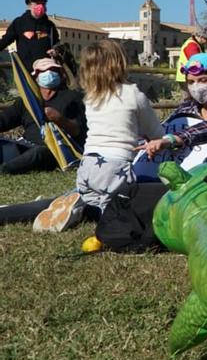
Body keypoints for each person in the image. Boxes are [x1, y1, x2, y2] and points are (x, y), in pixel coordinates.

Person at [10, 40, 165, 232]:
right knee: (116, 209)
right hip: (117, 168)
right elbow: (157, 134)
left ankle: (77, 206)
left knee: (92, 197)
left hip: (88, 166)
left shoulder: (91, 97)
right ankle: (87, 211)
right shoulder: (133, 94)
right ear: (120, 63)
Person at [138, 53, 207, 163]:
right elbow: (167, 127)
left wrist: (176, 139)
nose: (196, 87)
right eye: (191, 82)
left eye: (203, 80)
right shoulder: (186, 108)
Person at [0, 57, 86, 176]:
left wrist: (60, 119)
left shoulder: (72, 98)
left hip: (54, 150)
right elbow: (4, 121)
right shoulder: (28, 102)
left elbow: (78, 131)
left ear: (61, 75)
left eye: (53, 70)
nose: (49, 73)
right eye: (44, 71)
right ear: (35, 77)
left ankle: (4, 170)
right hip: (25, 145)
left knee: (40, 152)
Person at [0, 0, 60, 74]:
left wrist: (56, 50)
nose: (41, 6)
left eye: (43, 4)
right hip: (25, 69)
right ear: (29, 6)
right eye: (37, 3)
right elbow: (6, 40)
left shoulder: (50, 25)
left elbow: (56, 43)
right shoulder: (19, 22)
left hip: (46, 69)